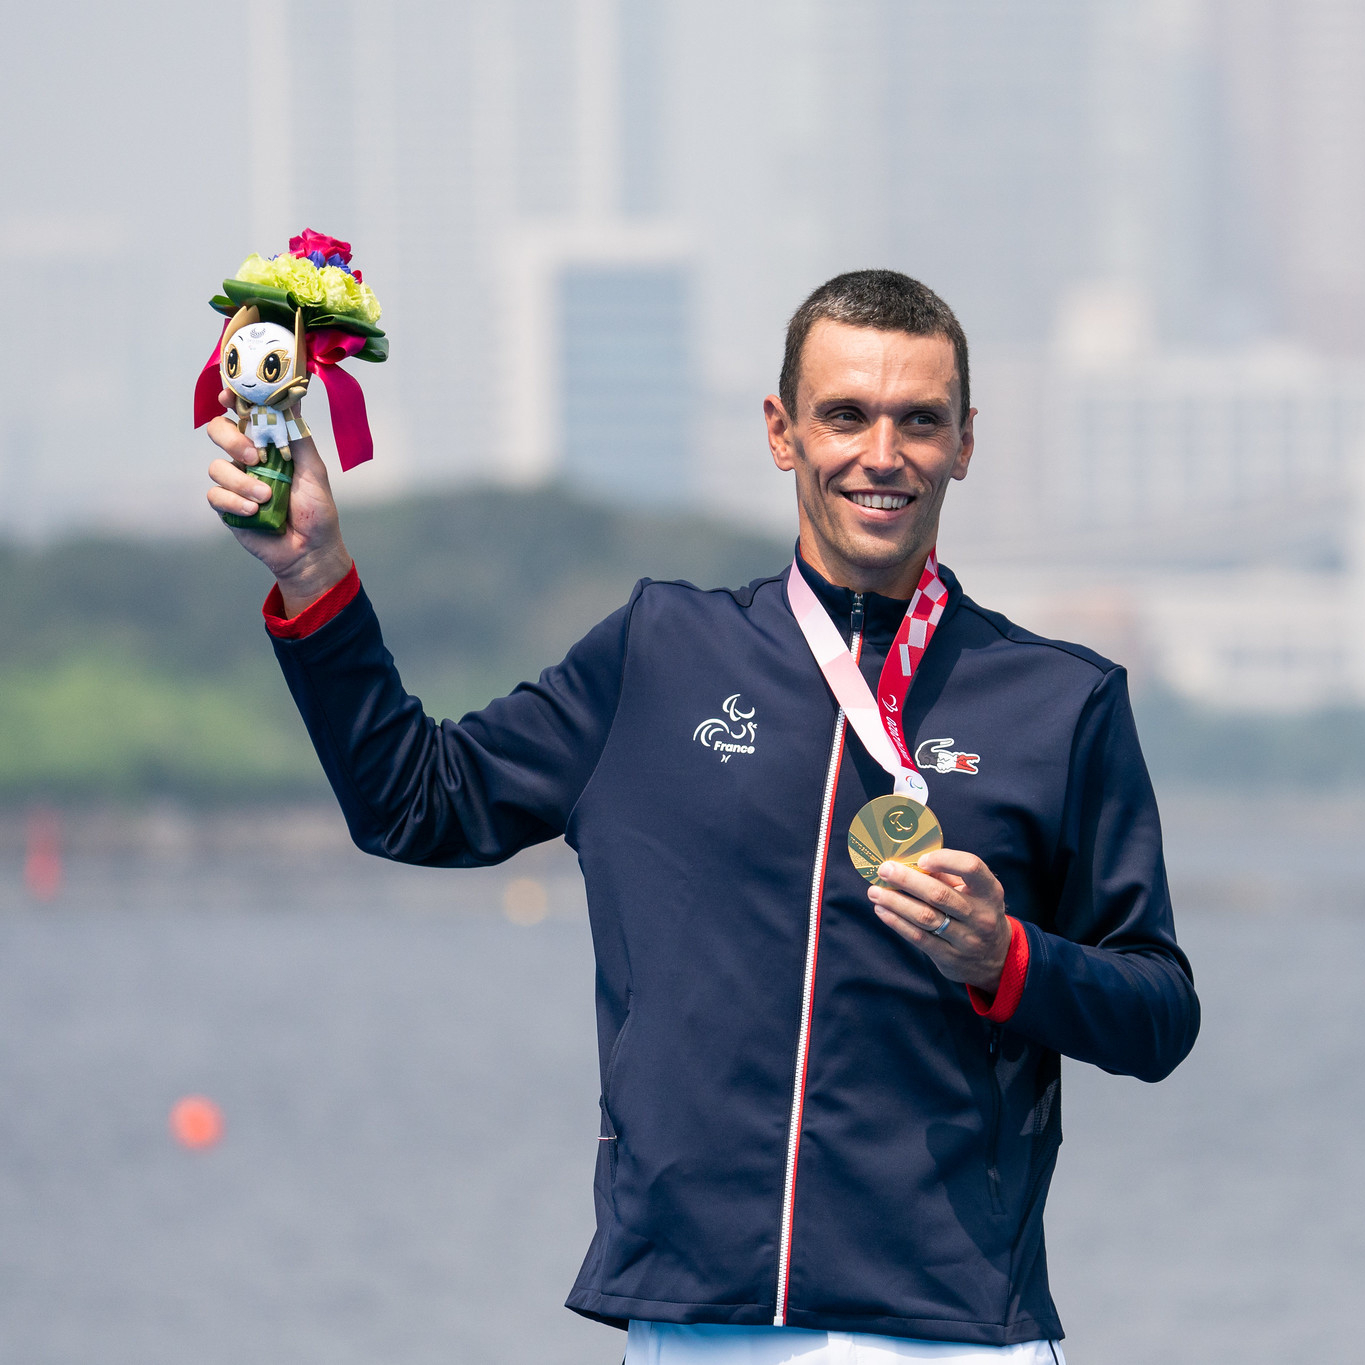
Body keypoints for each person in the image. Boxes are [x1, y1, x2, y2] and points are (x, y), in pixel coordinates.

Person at [206, 269, 1199, 1364]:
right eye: (845, 415)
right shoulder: (657, 655)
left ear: (965, 442)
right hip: (699, 1321)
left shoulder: (1059, 700)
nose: (883, 452)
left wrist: (1008, 959)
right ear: (782, 432)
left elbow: (1158, 1012)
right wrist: (315, 571)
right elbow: (414, 801)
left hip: (955, 1332)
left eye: (920, 420)